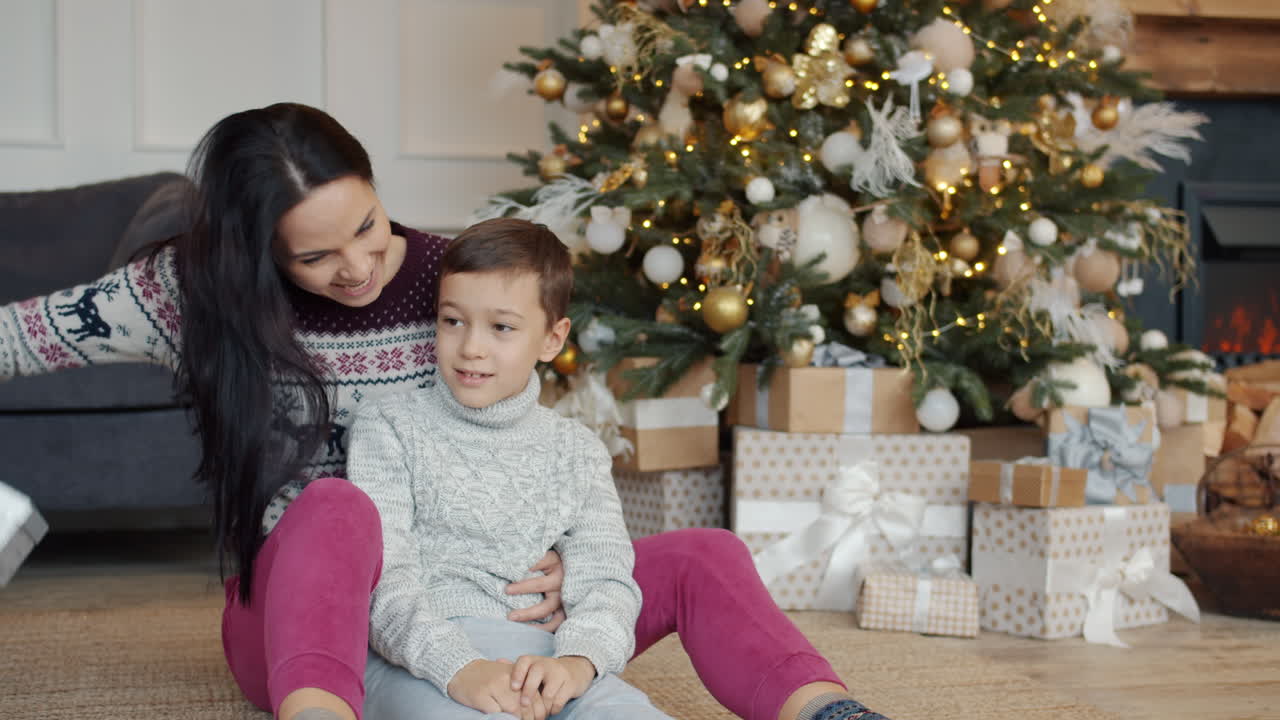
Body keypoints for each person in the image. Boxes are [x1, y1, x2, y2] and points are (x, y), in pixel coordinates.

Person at [0, 102, 888, 720]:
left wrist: (569, 568)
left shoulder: (450, 280)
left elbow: (534, 426)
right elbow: (18, 337)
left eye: (370, 227)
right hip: (314, 611)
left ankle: (823, 707)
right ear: (255, 254)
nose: (359, 267)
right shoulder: (186, 293)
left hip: (494, 591)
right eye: (316, 257)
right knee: (338, 502)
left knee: (701, 552)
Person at [346, 218, 669, 720]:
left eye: (501, 327)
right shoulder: (387, 425)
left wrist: (580, 662)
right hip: (420, 660)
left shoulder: (577, 450)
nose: (471, 346)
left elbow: (606, 578)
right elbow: (383, 579)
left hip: (544, 656)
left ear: (551, 339)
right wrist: (459, 667)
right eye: (453, 321)